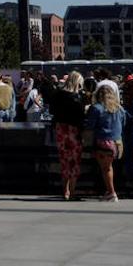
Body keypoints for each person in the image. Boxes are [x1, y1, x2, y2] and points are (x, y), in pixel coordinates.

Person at [46, 71, 87, 201]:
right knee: (74, 162)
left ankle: (65, 191)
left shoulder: (58, 94)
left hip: (60, 130)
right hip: (74, 131)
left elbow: (52, 110)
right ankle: (73, 192)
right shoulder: (78, 97)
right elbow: (81, 116)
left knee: (64, 161)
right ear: (77, 82)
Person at [85, 83, 126, 202]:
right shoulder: (119, 108)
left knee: (106, 168)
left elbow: (90, 125)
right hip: (117, 142)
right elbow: (124, 122)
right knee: (110, 167)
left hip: (103, 141)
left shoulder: (97, 108)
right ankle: (109, 191)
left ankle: (112, 193)